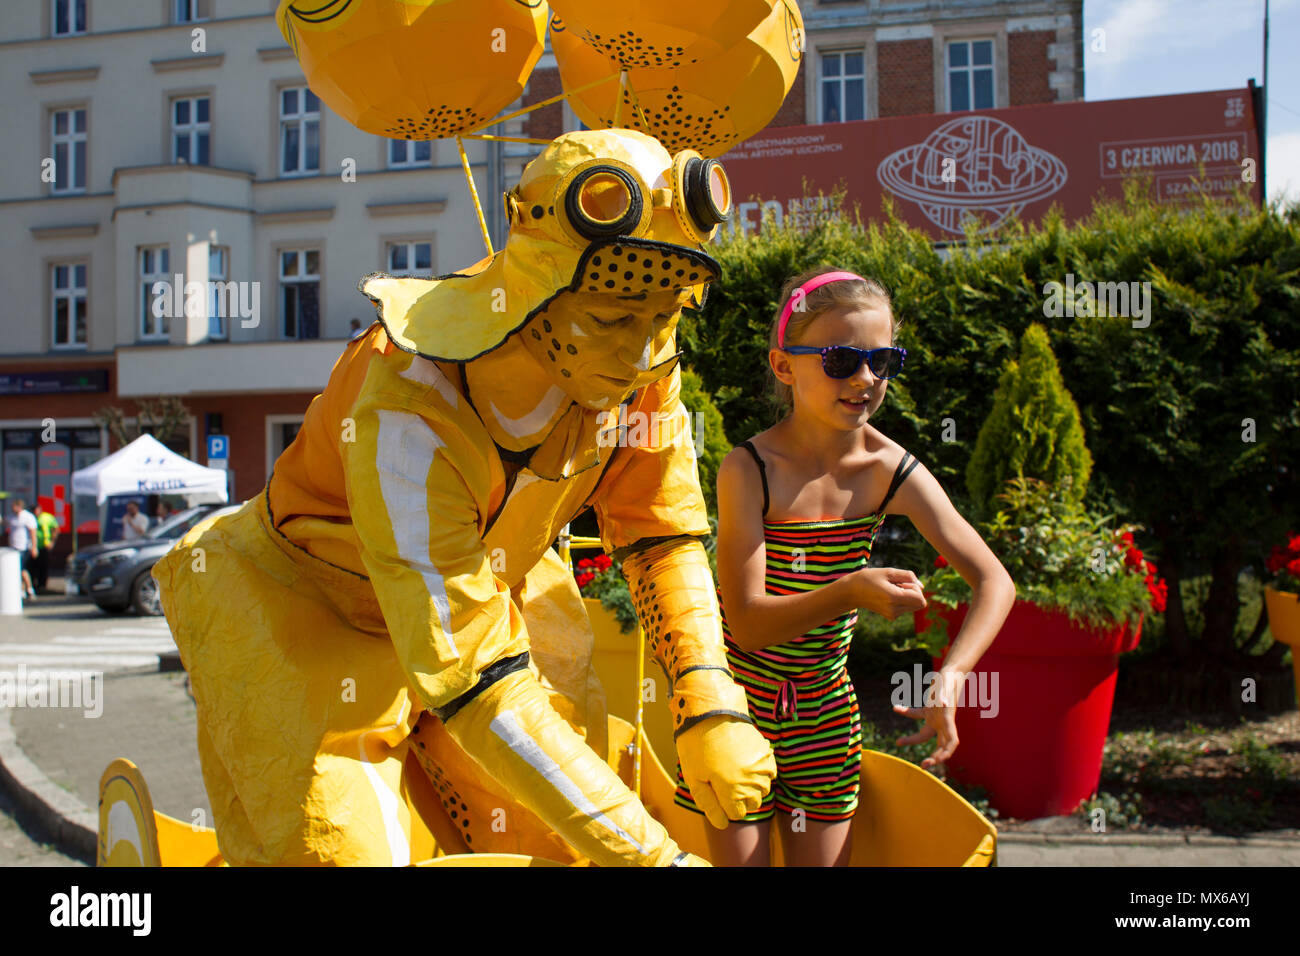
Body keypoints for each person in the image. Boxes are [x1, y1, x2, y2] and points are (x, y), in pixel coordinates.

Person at [152, 129, 776, 867]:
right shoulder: (410, 395)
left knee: (552, 844)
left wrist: (706, 700)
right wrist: (656, 860)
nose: (641, 353)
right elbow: (478, 680)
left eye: (663, 317)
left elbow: (657, 531)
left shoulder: (643, 363)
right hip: (304, 602)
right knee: (336, 855)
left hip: (484, 590)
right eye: (611, 319)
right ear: (539, 291)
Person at [673, 268, 1015, 866]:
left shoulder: (889, 468)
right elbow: (749, 623)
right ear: (785, 367)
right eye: (841, 360)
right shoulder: (749, 469)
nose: (866, 379)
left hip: (826, 719)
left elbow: (994, 581)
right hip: (736, 711)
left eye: (883, 360)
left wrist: (951, 677)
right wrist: (852, 589)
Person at [6, 498, 39, 601]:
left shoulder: (27, 517)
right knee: (17, 570)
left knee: (21, 569)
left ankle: (29, 590)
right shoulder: (12, 517)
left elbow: (33, 533)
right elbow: (4, 522)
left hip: (23, 547)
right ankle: (22, 590)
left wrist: (34, 547)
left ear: (19, 506)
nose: (12, 508)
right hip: (13, 547)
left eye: (14, 506)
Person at [33, 502, 60, 593]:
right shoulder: (32, 518)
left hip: (45, 546)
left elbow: (56, 529)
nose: (35, 512)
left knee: (44, 566)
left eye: (36, 509)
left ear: (40, 509)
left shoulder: (47, 517)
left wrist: (52, 542)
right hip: (35, 546)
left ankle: (42, 585)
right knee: (34, 566)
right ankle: (35, 585)